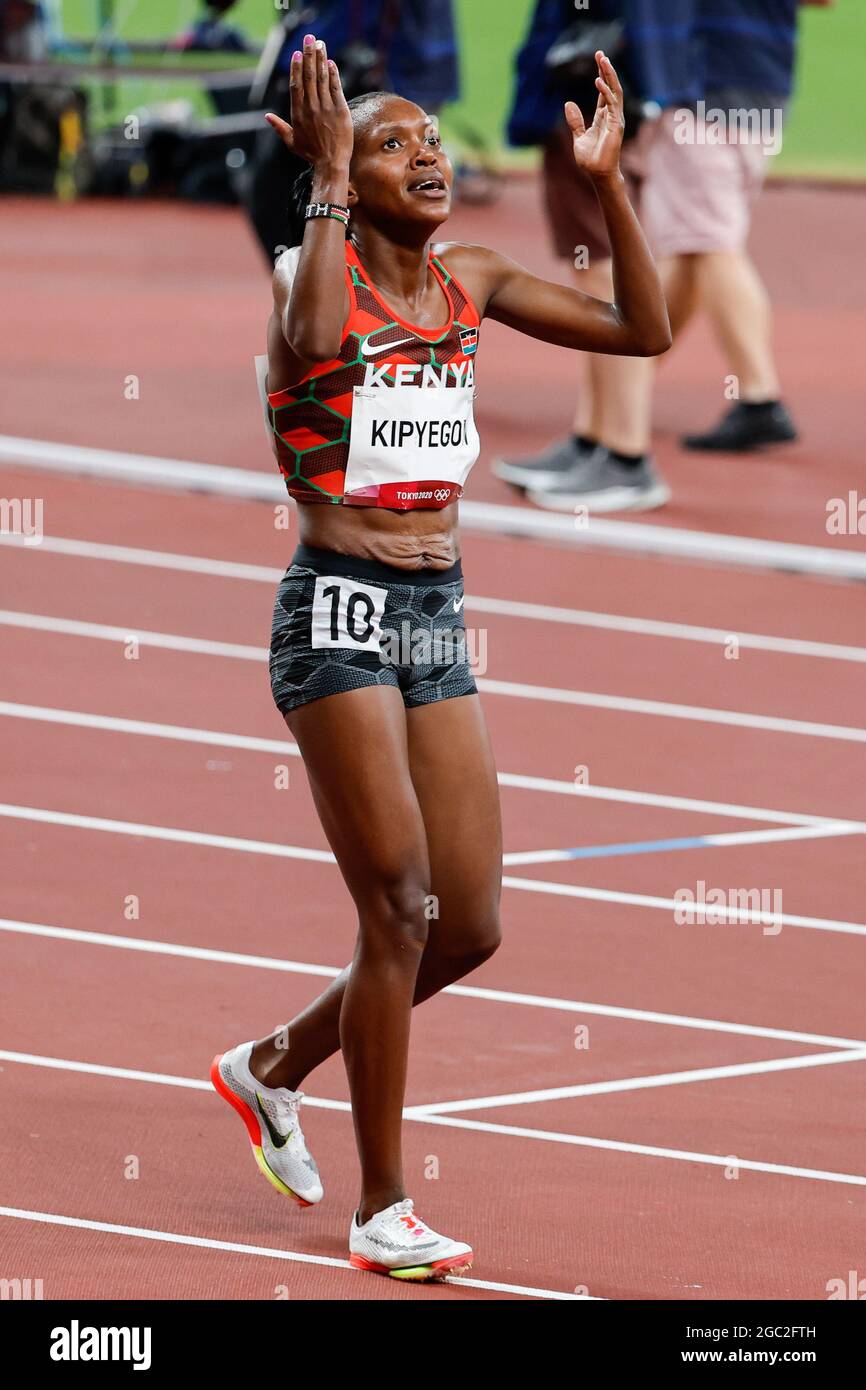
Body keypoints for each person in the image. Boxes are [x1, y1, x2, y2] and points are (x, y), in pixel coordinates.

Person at [211, 32, 669, 1281]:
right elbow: (310, 344)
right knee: (396, 903)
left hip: (435, 612)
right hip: (339, 609)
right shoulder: (311, 274)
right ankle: (381, 1206)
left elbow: (643, 331)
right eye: (391, 142)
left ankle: (269, 1065)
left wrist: (608, 182)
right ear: (343, 178)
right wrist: (315, 182)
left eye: (432, 140)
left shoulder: (468, 278)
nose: (429, 155)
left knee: (465, 921)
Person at [494, 0, 671, 512]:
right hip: (579, 101)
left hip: (590, 106)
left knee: (605, 277)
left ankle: (627, 456)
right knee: (591, 274)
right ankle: (594, 439)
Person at [245, 0, 459, 266]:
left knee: (282, 192)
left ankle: (331, 292)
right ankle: (333, 292)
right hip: (388, 57)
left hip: (365, 59)